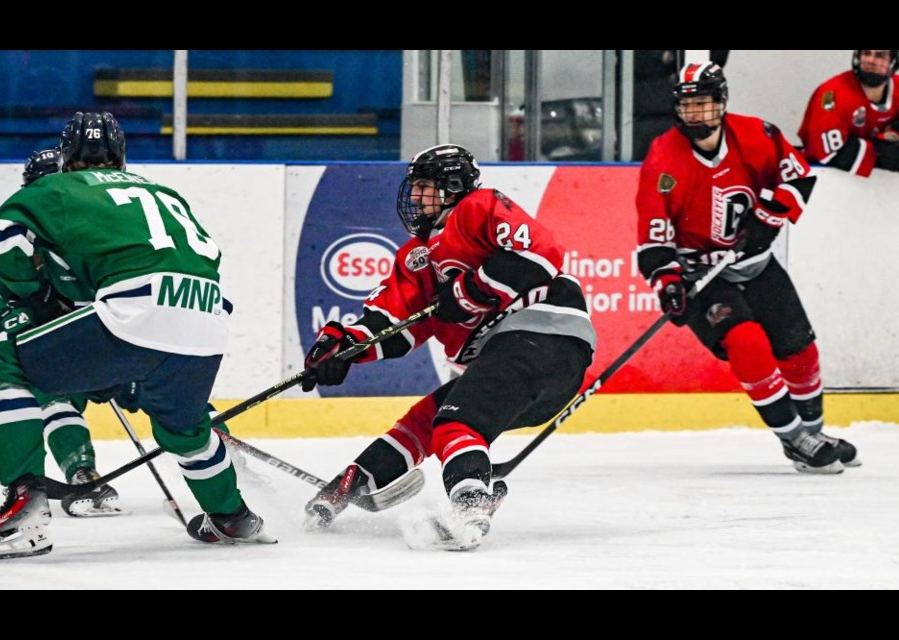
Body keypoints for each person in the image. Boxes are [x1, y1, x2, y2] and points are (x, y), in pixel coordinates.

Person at [0, 112, 274, 560]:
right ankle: (233, 518)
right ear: (121, 155)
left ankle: (26, 507)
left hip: (131, 317)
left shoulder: (55, 188)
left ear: (67, 156)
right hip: (206, 320)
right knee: (184, 429)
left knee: (1, 364)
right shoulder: (163, 191)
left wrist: (34, 295)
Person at [301, 144, 596, 549]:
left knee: (457, 425)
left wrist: (471, 290)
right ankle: (353, 481)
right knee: (428, 420)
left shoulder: (479, 207)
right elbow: (394, 323)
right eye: (416, 187)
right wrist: (346, 347)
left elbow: (539, 253)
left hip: (542, 335)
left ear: (454, 187)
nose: (417, 197)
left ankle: (472, 504)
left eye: (426, 187)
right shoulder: (416, 258)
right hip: (516, 365)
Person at [636, 62, 860, 474]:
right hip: (703, 275)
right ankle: (794, 440)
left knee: (800, 348)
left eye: (704, 104)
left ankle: (815, 432)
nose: (696, 115)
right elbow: (652, 240)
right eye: (688, 106)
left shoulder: (758, 135)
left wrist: (768, 220)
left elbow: (799, 178)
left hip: (756, 264)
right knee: (748, 344)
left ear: (721, 103)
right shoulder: (663, 159)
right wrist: (669, 283)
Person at [0, 147, 124, 518]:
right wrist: (8, 316)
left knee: (157, 378)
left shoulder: (92, 228)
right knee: (54, 393)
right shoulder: (19, 231)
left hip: (102, 334)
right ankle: (80, 471)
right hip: (48, 340)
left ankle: (204, 429)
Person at [798, 50, 899, 176]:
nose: (871, 61)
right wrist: (878, 155)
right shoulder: (832, 93)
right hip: (826, 184)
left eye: (880, 56)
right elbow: (824, 151)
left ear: (893, 62)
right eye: (866, 53)